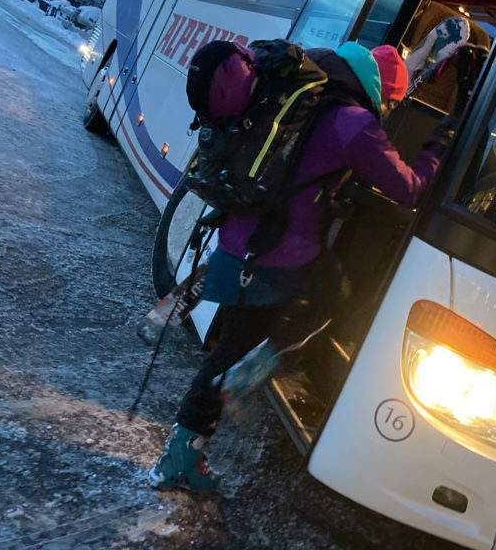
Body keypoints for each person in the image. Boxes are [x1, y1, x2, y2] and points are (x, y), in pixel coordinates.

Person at [149, 40, 459, 492]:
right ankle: (256, 369)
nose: (389, 110)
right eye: (390, 101)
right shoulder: (353, 123)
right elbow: (409, 189)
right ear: (376, 90)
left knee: (226, 348)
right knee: (337, 299)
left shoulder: (295, 94)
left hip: (237, 241)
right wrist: (439, 145)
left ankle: (182, 453)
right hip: (282, 253)